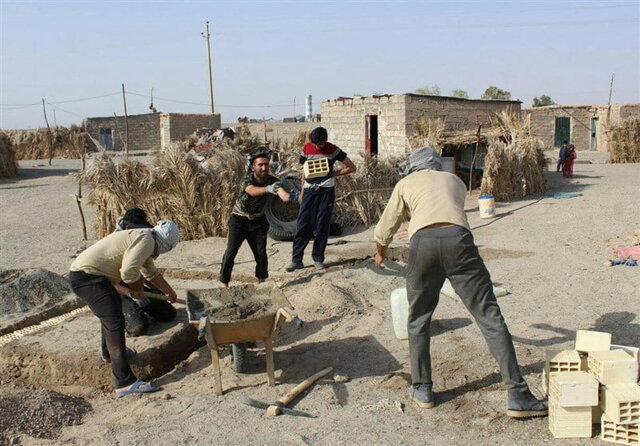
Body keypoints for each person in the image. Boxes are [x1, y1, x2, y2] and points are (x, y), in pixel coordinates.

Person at [373, 146, 548, 418]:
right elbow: (440, 206)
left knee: (418, 318)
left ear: (412, 167)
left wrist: (381, 252)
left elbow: (386, 226)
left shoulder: (405, 183)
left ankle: (422, 389)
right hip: (459, 241)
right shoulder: (454, 181)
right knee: (489, 316)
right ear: (437, 165)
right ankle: (518, 394)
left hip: (423, 245)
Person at [69, 220, 180, 398]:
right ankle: (124, 383)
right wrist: (137, 289)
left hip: (92, 276)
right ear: (164, 243)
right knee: (114, 321)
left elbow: (151, 273)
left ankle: (108, 354)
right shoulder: (147, 240)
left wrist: (170, 292)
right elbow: (128, 272)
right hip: (87, 278)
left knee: (110, 316)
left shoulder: (144, 237)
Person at [286, 127, 356, 271]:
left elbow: (351, 167)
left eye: (320, 144)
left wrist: (332, 174)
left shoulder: (333, 150)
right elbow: (304, 172)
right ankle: (296, 260)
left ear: (325, 140)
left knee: (322, 225)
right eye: (315, 144)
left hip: (326, 191)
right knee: (303, 224)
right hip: (309, 190)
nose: (317, 147)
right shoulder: (306, 149)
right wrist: (302, 191)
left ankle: (318, 259)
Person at [220, 147, 291, 286]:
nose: (264, 168)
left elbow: (283, 195)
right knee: (231, 252)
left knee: (261, 254)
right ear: (253, 167)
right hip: (239, 220)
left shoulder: (272, 180)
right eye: (260, 165)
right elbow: (251, 191)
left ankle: (261, 282)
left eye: (266, 164)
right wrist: (268, 189)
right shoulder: (246, 180)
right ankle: (224, 283)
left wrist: (290, 195)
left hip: (258, 221)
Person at [114, 208, 177, 339]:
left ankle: (140, 304)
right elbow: (119, 277)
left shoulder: (143, 239)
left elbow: (149, 272)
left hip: (132, 284)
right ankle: (121, 308)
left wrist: (166, 291)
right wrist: (134, 293)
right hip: (114, 288)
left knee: (168, 314)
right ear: (127, 228)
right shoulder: (117, 241)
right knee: (137, 327)